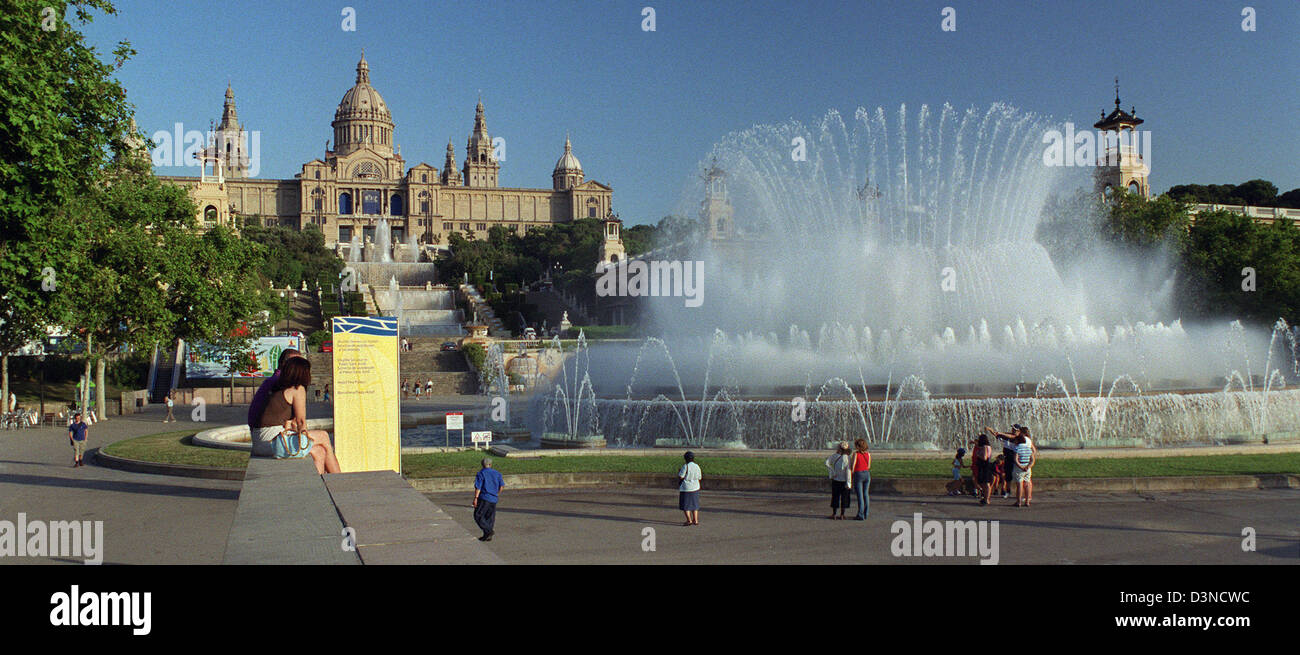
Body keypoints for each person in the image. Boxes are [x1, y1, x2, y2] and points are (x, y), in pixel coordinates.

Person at [255, 357, 341, 475]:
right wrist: (304, 440)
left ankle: (320, 484)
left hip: (261, 442)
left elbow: (294, 423)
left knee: (319, 451)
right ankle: (339, 479)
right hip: (272, 440)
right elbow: (301, 422)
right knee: (324, 436)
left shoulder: (280, 390)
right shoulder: (297, 389)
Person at [248, 349, 303, 435]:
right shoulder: (285, 383)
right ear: (283, 364)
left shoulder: (270, 381)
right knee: (322, 437)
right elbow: (300, 421)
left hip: (257, 433)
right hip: (271, 434)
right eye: (295, 363)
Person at [472, 457, 505, 541]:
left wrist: (476, 498)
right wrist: (497, 494)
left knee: (478, 515)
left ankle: (489, 531)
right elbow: (501, 486)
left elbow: (478, 487)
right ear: (490, 464)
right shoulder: (497, 473)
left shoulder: (481, 473)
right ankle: (487, 535)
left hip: (484, 497)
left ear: (482, 465)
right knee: (489, 517)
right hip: (494, 498)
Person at [824, 441, 852, 519]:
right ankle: (842, 514)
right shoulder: (848, 458)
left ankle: (834, 514)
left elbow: (827, 463)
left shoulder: (835, 456)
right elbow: (848, 471)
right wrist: (849, 482)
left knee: (835, 497)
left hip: (836, 479)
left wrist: (832, 472)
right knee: (845, 498)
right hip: (845, 481)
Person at [677, 451, 702, 526]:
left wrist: (679, 472)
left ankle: (689, 520)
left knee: (686, 505)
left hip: (686, 488)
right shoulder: (697, 466)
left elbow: (681, 476)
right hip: (695, 487)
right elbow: (700, 477)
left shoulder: (686, 466)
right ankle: (696, 520)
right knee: (695, 505)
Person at [971, 434, 995, 505]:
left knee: (985, 483)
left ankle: (986, 499)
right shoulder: (989, 447)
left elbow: (984, 457)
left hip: (984, 465)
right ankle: (986, 498)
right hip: (987, 465)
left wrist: (978, 454)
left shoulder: (984, 447)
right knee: (985, 483)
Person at [851, 438, 871, 520]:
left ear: (858, 446)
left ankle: (860, 515)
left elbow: (853, 466)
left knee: (860, 495)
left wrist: (851, 475)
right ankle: (866, 513)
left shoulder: (856, 454)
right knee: (866, 494)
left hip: (858, 474)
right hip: (866, 474)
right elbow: (869, 466)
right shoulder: (868, 454)